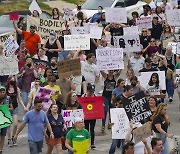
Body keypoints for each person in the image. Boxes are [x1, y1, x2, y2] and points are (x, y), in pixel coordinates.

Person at [6, 76, 27, 146]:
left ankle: (13, 137)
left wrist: (24, 106)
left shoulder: (16, 88)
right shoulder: (6, 89)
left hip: (15, 107)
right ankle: (9, 140)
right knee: (8, 125)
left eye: (14, 80)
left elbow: (19, 99)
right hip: (7, 108)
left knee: (15, 124)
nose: (13, 82)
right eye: (11, 80)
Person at [82, 83, 96, 149]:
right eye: (90, 91)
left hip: (93, 115)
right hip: (86, 115)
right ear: (87, 91)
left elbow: (99, 105)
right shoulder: (83, 96)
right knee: (86, 129)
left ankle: (92, 143)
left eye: (92, 91)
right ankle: (86, 142)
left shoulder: (95, 96)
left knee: (92, 129)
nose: (91, 93)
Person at [0, 86, 13, 153]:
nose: (2, 93)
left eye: (3, 92)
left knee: (3, 135)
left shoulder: (7, 98)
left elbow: (11, 108)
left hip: (4, 119)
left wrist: (5, 108)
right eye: (1, 92)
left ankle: (1, 149)